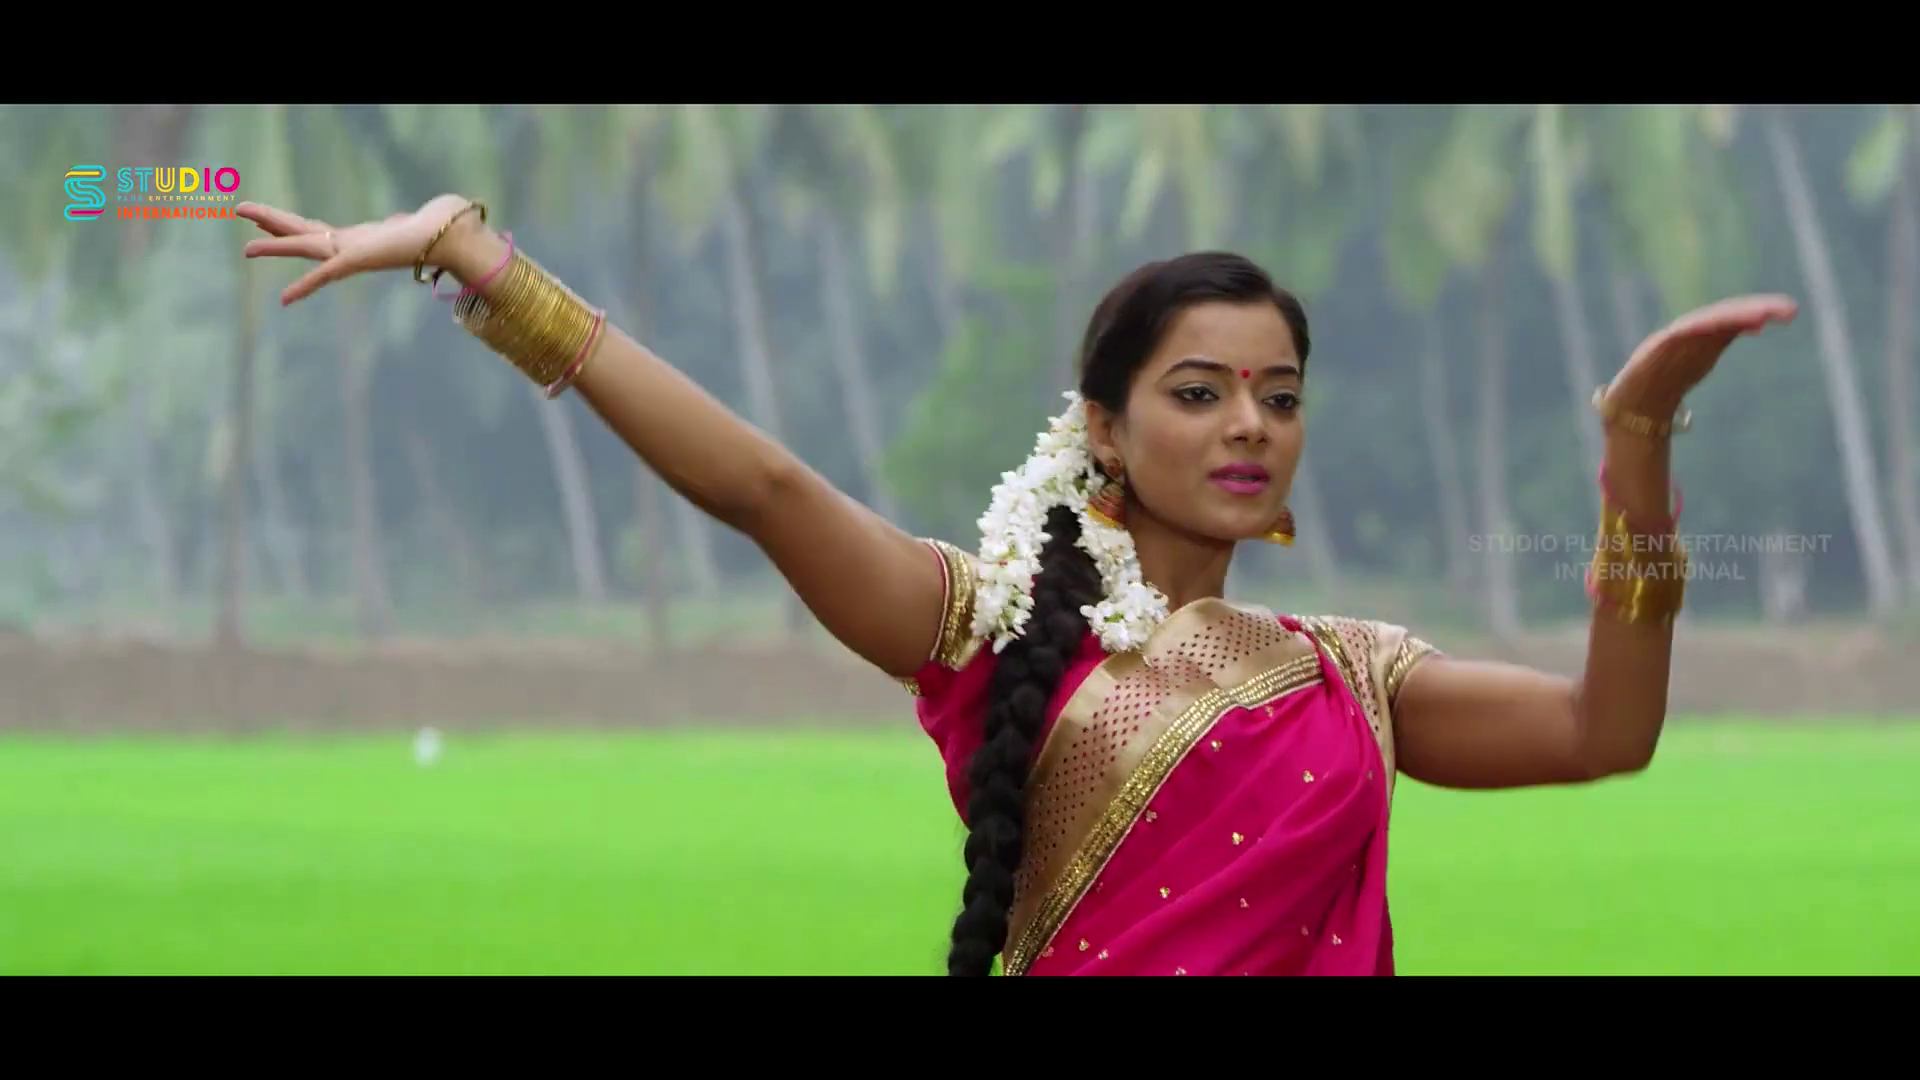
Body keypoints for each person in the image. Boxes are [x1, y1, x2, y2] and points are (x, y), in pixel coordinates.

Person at [238, 194, 1797, 977]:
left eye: (1281, 395)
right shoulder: (987, 631)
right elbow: (763, 487)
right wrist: (475, 257)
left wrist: (1636, 447)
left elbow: (1605, 730)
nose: (1251, 425)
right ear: (1104, 428)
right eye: (1200, 392)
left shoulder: (1351, 674)